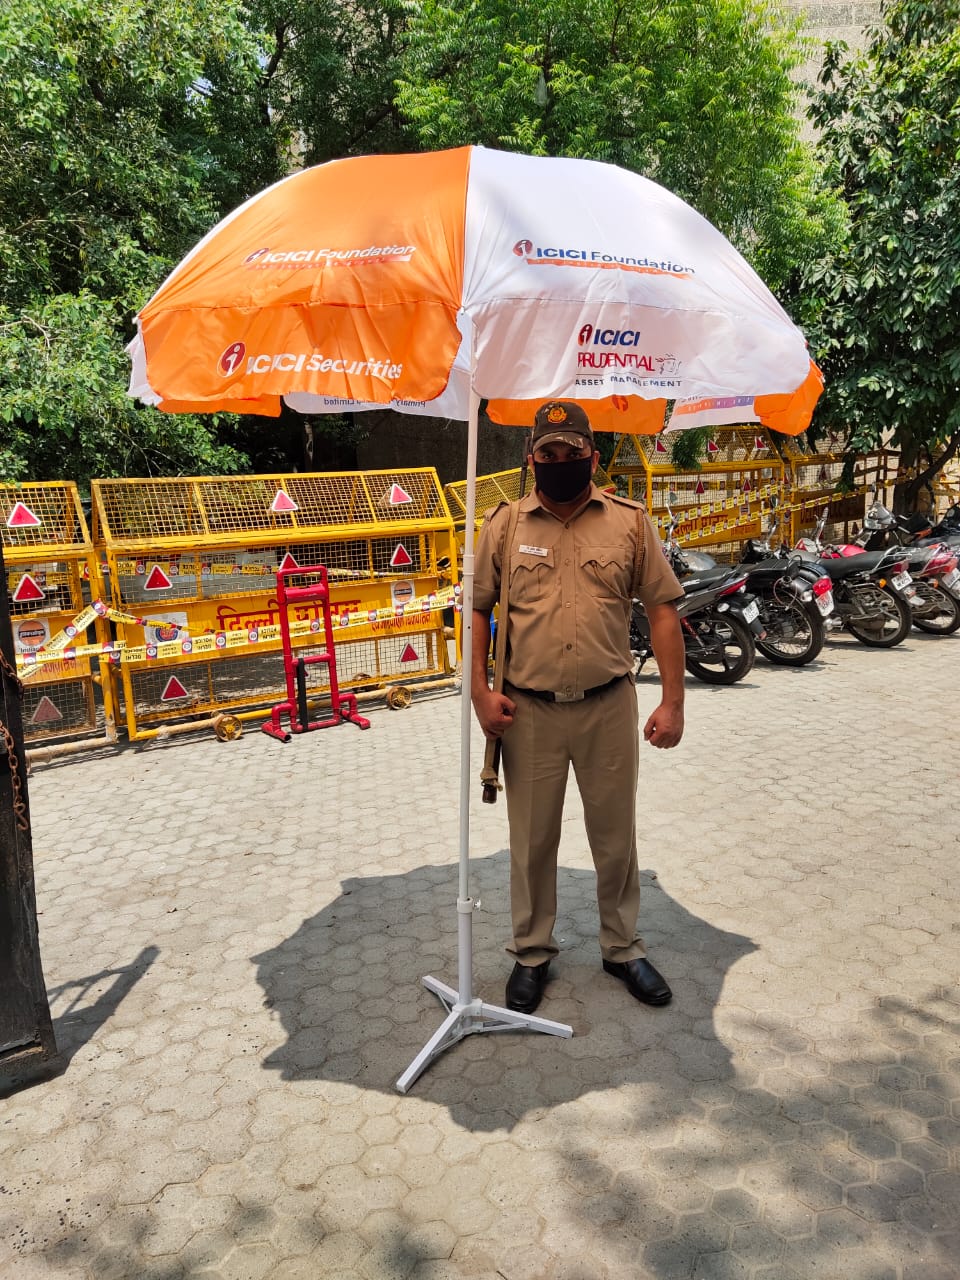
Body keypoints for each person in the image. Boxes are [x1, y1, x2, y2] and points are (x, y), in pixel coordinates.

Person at [471, 401, 686, 1016]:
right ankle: (532, 952)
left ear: (592, 455)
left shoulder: (629, 523)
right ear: (531, 458)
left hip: (608, 707)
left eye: (572, 453)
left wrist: (673, 703)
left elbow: (664, 609)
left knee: (616, 839)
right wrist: (480, 693)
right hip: (528, 712)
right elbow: (478, 610)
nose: (561, 463)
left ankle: (622, 948)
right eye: (549, 454)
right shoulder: (505, 526)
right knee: (532, 840)